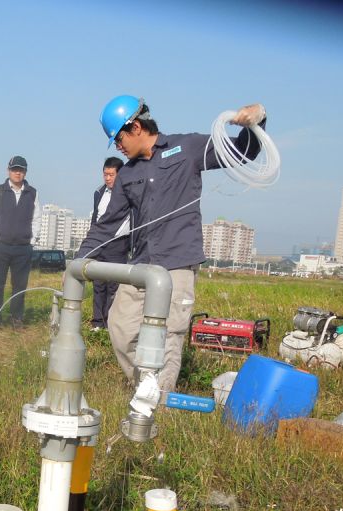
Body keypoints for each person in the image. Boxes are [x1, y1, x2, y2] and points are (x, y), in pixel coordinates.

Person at [78, 95, 266, 392]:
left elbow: (242, 151)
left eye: (118, 138)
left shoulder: (187, 149)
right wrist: (78, 262)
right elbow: (107, 225)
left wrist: (257, 119)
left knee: (168, 336)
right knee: (120, 327)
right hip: (140, 266)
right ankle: (144, 388)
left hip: (177, 264)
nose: (118, 146)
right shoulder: (127, 174)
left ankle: (158, 403)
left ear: (136, 127)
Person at [0, 155, 40, 327]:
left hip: (23, 248)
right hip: (1, 245)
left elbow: (37, 218)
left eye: (21, 170)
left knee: (20, 286)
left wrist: (32, 240)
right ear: (8, 171)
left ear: (25, 172)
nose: (17, 173)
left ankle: (16, 318)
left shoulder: (32, 193)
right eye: (14, 169)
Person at [90, 156, 128, 331]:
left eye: (111, 175)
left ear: (120, 175)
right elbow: (95, 218)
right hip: (100, 243)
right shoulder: (99, 192)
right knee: (98, 284)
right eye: (105, 174)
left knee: (114, 285)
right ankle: (97, 322)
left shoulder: (128, 193)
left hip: (118, 244)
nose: (107, 178)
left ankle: (110, 324)